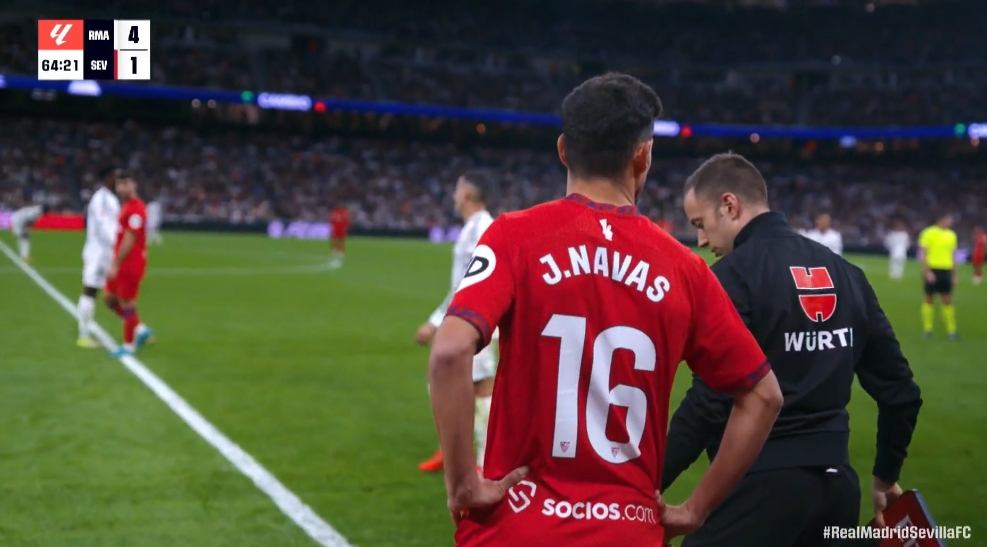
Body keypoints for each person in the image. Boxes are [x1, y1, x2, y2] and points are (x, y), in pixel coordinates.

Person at [427, 73, 783, 547]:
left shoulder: (513, 236)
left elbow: (449, 352)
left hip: (517, 527)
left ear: (562, 150)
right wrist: (696, 509)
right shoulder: (685, 269)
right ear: (643, 156)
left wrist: (463, 484)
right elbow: (763, 396)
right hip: (626, 530)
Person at [667, 152, 923, 547]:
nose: (701, 240)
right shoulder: (848, 275)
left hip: (760, 492)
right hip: (838, 491)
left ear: (730, 205)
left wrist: (643, 485)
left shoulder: (731, 277)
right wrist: (886, 476)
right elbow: (901, 392)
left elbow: (710, 402)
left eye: (701, 224)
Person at [416, 170, 499, 473]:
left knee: (480, 388)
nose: (453, 195)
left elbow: (471, 283)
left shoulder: (483, 229)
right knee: (447, 382)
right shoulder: (472, 228)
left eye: (456, 188)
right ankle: (451, 450)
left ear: (466, 193)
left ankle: (484, 462)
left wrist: (434, 321)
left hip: (477, 323)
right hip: (464, 319)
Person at [104, 173, 154, 357]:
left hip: (130, 262)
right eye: (119, 184)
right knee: (109, 298)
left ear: (134, 185)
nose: (121, 188)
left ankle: (128, 345)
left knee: (126, 302)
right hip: (122, 261)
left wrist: (116, 264)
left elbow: (130, 239)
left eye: (125, 184)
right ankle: (140, 329)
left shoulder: (136, 209)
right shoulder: (126, 206)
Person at [78, 166, 122, 348]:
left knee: (120, 292)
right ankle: (83, 335)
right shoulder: (101, 198)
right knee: (90, 290)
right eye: (114, 177)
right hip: (98, 252)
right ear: (107, 178)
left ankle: (135, 327)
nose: (117, 180)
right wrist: (118, 244)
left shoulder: (111, 198)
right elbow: (104, 226)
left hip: (108, 252)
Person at [918, 214, 958, 339]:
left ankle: (951, 330)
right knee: (929, 298)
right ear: (941, 220)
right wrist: (927, 271)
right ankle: (927, 329)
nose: (950, 222)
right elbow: (924, 254)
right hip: (933, 268)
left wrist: (954, 274)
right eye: (948, 220)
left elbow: (953, 255)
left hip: (946, 269)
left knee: (947, 299)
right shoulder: (928, 233)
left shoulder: (952, 235)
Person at [328, 204, 350, 269]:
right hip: (341, 229)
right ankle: (339, 254)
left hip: (337, 229)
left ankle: (335, 253)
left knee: (336, 241)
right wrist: (346, 228)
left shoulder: (335, 212)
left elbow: (331, 220)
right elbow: (347, 221)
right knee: (340, 241)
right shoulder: (344, 212)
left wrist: (332, 227)